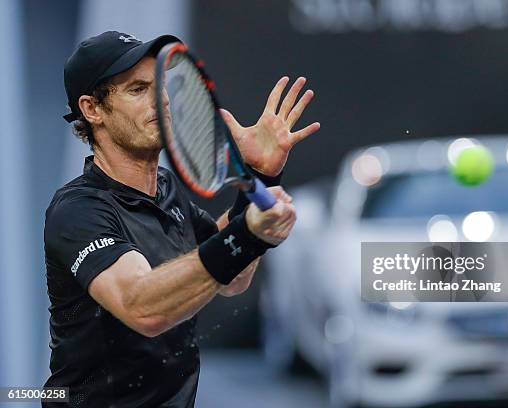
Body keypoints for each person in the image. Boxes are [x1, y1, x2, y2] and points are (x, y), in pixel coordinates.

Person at [43, 31, 320, 407]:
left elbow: (231, 276)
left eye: (160, 86)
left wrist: (260, 177)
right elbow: (143, 306)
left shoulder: (167, 189)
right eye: (138, 90)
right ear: (93, 109)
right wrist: (247, 234)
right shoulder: (78, 209)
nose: (159, 100)